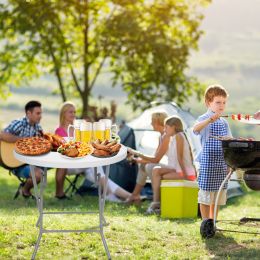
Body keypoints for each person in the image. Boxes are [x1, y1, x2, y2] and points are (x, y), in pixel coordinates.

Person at [55, 101, 131, 202]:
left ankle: (128, 196)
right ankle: (114, 195)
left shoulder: (79, 129)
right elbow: (64, 151)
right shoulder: (59, 131)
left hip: (82, 162)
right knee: (96, 166)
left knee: (97, 172)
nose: (73, 114)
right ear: (63, 113)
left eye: (74, 112)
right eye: (70, 112)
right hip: (69, 165)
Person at [0, 101, 66, 199]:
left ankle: (59, 194)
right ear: (28, 113)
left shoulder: (38, 128)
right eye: (38, 113)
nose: (40, 116)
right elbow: (2, 135)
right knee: (38, 175)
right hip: (16, 163)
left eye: (41, 113)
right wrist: (23, 140)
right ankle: (25, 190)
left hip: (32, 161)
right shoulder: (19, 124)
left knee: (62, 163)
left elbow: (40, 146)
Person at [193, 84, 232, 220]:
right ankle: (206, 222)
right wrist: (210, 119)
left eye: (224, 102)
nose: (221, 105)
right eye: (218, 102)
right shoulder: (204, 118)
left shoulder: (224, 122)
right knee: (205, 196)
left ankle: (213, 222)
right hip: (208, 163)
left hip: (221, 163)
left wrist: (229, 163)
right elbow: (195, 129)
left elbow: (229, 142)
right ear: (208, 103)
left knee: (217, 196)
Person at [146, 116, 196, 214]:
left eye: (167, 127)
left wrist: (186, 176)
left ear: (173, 127)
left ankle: (158, 203)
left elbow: (180, 158)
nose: (165, 130)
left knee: (161, 176)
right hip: (178, 170)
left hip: (186, 172)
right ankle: (157, 202)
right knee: (156, 170)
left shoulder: (179, 136)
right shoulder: (174, 137)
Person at [127, 111, 170, 204]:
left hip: (174, 167)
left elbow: (156, 159)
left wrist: (137, 153)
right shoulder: (161, 136)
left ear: (158, 122)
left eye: (152, 122)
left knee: (149, 166)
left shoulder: (166, 136)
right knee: (144, 166)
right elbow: (154, 158)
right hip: (168, 165)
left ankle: (157, 200)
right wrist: (136, 160)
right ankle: (135, 195)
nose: (151, 124)